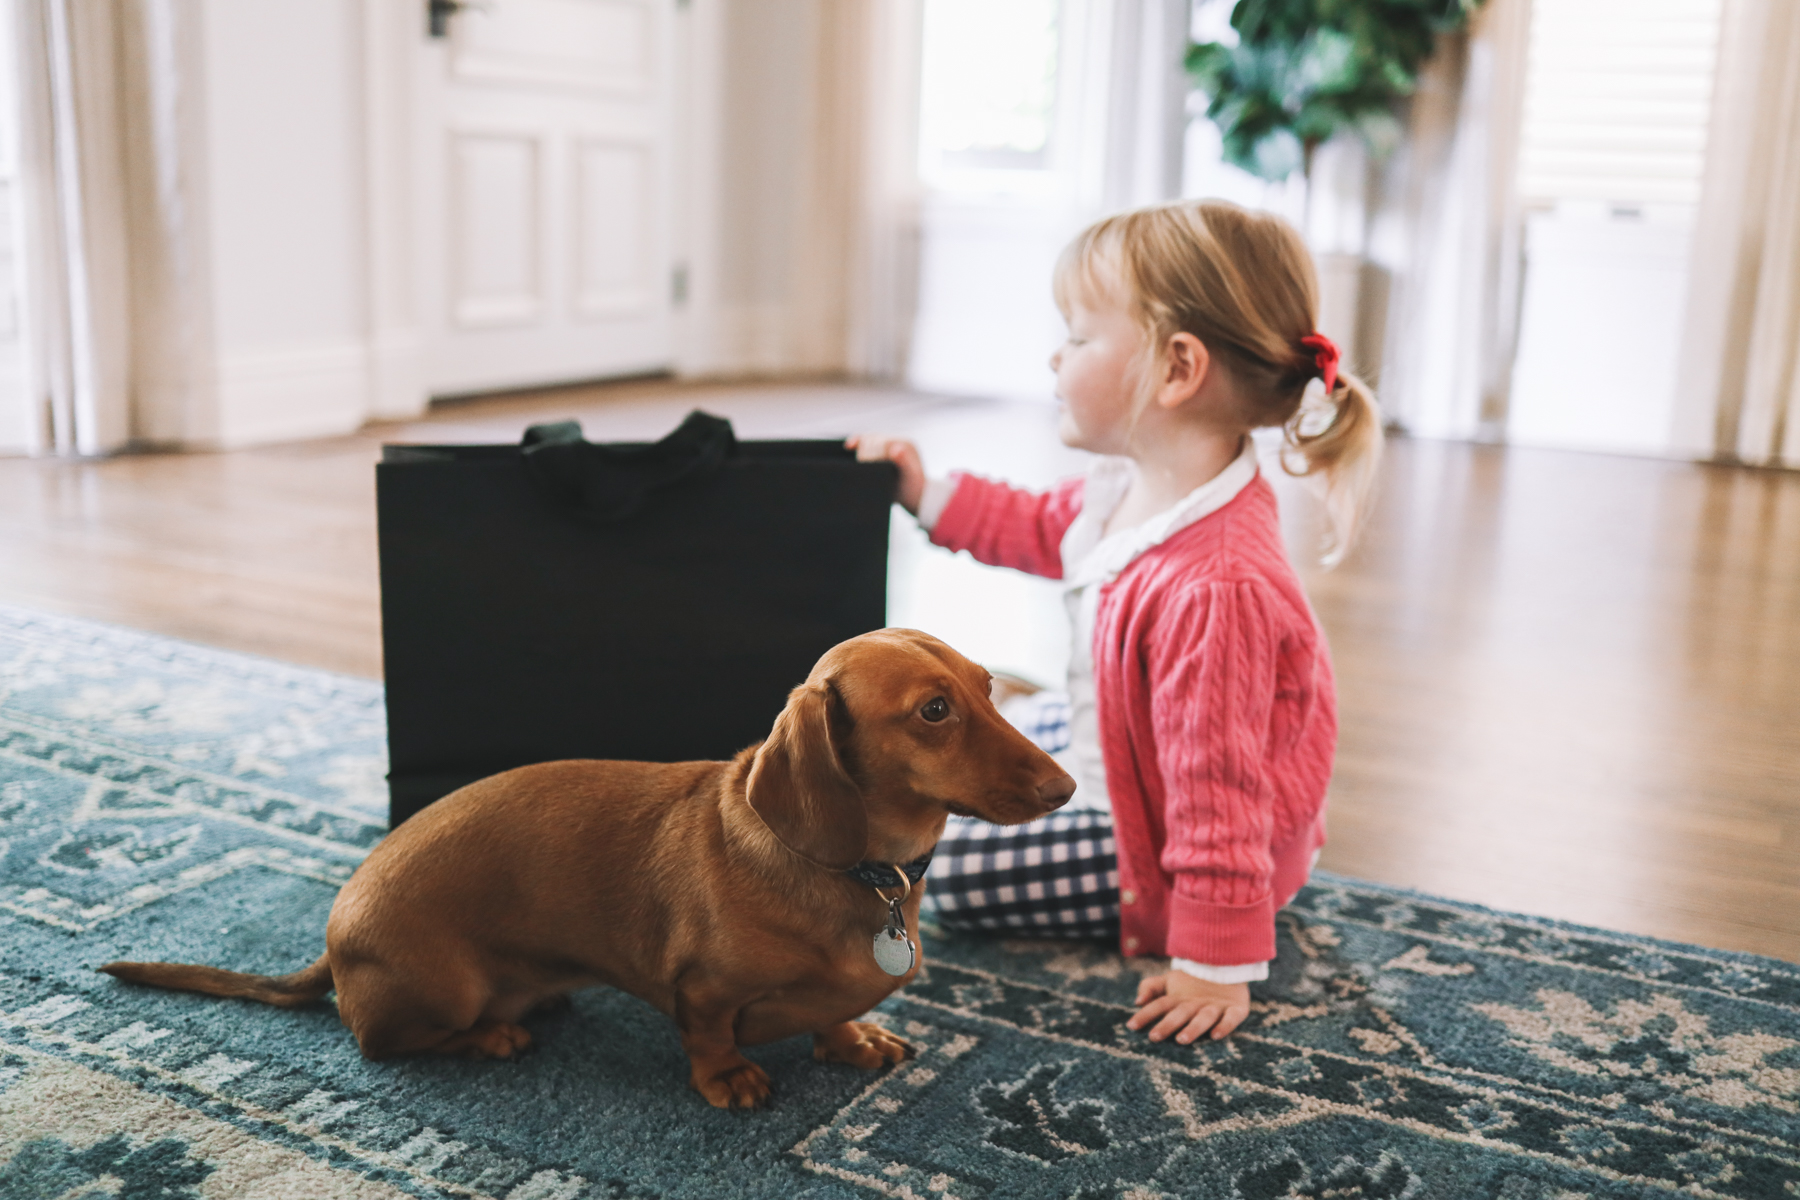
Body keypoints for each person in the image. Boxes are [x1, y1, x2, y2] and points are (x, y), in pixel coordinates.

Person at [849, 199, 1382, 1046]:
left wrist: (1212, 959)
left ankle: (1205, 916)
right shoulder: (1135, 486)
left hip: (1162, 849)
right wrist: (926, 495)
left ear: (1176, 369)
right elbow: (1034, 524)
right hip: (1136, 758)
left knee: (932, 862)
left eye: (1079, 334)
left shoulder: (1216, 587)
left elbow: (1220, 793)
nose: (1054, 355)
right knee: (1008, 735)